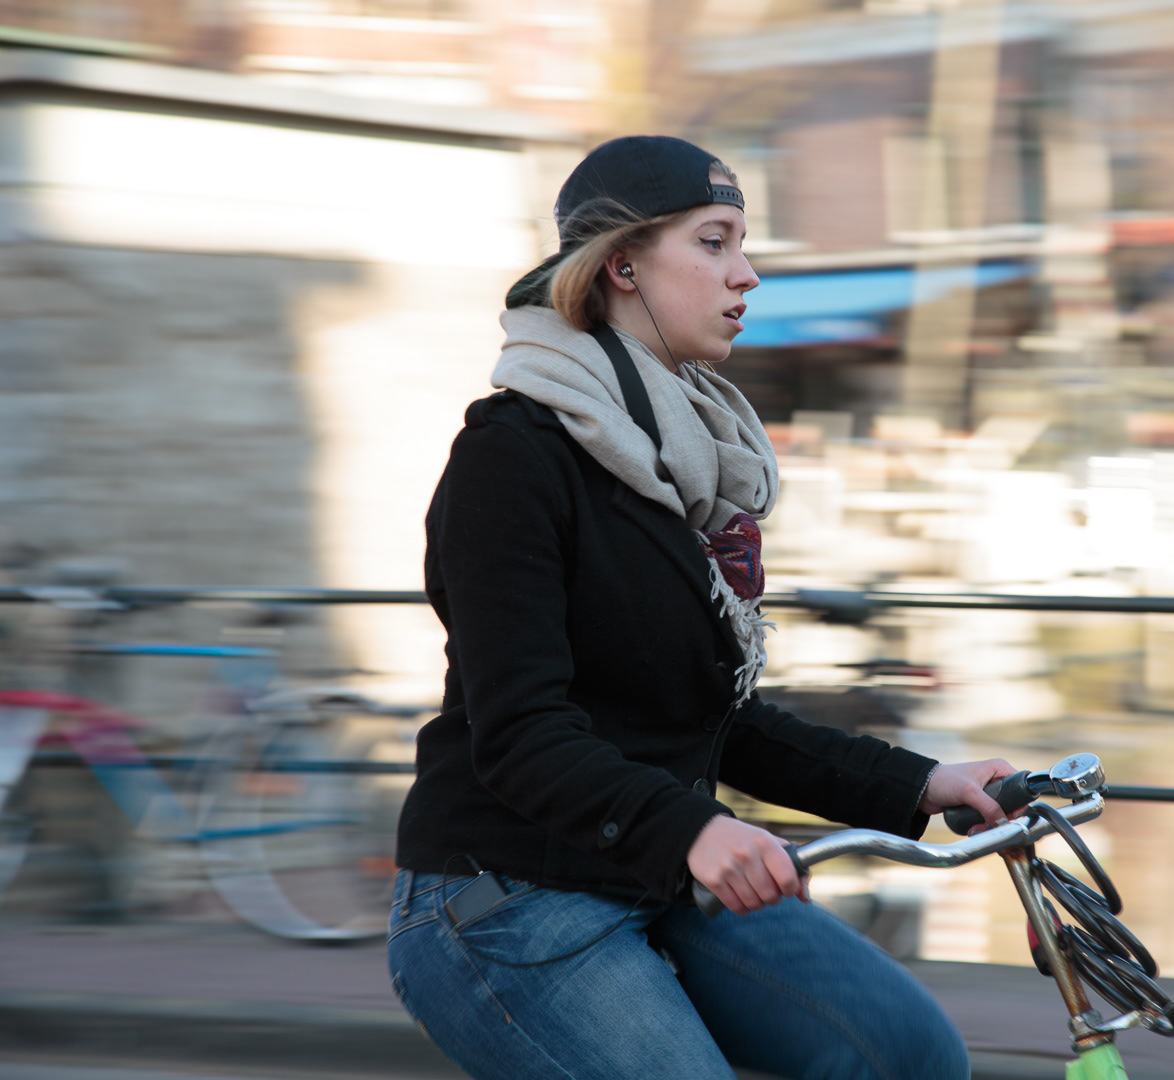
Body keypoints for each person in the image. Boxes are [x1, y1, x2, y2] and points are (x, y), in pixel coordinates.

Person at [386, 135, 1017, 1080]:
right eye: (716, 243)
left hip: (654, 872)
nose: (748, 275)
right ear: (623, 264)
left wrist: (920, 784)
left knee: (909, 1052)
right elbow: (518, 733)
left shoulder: (676, 459)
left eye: (743, 245)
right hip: (505, 897)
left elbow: (712, 718)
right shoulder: (510, 460)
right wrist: (695, 830)